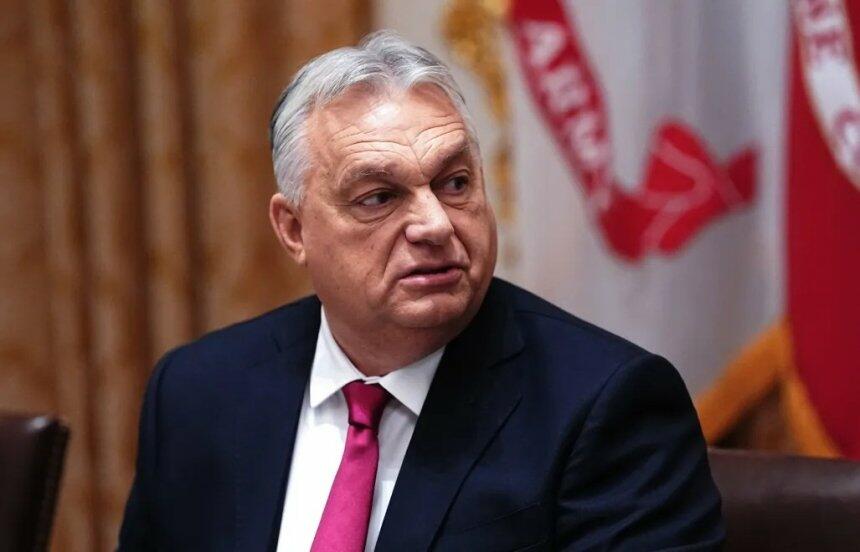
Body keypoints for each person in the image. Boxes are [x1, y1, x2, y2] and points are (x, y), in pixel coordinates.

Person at [118, 30, 724, 551]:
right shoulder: (197, 392)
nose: (435, 225)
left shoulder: (609, 407)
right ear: (294, 230)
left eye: (455, 183)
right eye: (379, 197)